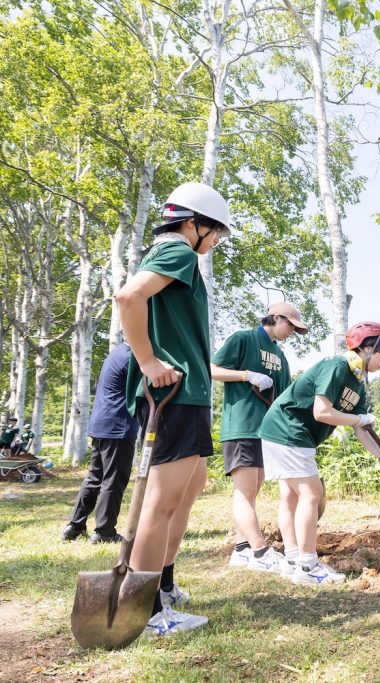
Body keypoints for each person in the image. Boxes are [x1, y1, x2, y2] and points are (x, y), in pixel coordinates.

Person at [116, 181, 232, 637]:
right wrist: (147, 360)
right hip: (175, 395)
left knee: (190, 485)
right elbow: (129, 297)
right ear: (193, 224)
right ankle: (144, 613)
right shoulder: (178, 251)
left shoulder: (178, 255)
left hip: (189, 395)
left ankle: (162, 583)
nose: (217, 240)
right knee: (162, 502)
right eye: (216, 231)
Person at [259, 321, 380, 585]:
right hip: (288, 428)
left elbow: (362, 428)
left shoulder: (358, 384)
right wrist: (358, 419)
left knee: (291, 496)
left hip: (287, 432)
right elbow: (322, 412)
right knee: (311, 493)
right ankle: (307, 566)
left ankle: (293, 560)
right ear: (368, 348)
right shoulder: (337, 367)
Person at [211, 302, 307, 572]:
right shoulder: (244, 339)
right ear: (275, 318)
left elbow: (287, 395)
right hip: (241, 425)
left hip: (266, 430)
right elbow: (211, 369)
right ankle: (260, 551)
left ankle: (242, 550)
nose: (292, 332)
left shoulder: (280, 355)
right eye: (290, 325)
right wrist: (245, 375)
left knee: (254, 490)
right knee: (244, 491)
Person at [62, 343, 139, 544]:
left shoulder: (117, 352)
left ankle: (74, 526)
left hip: (102, 423)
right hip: (118, 427)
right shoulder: (133, 357)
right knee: (113, 480)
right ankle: (104, 532)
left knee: (94, 477)